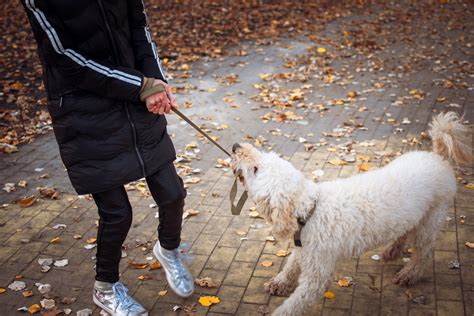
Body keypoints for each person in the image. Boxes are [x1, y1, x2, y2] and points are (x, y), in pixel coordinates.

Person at [21, 0, 194, 314]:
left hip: (136, 100)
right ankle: (106, 288)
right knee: (117, 213)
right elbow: (64, 56)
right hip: (85, 114)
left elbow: (139, 28)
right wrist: (140, 85)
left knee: (172, 192)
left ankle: (168, 250)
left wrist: (156, 81)